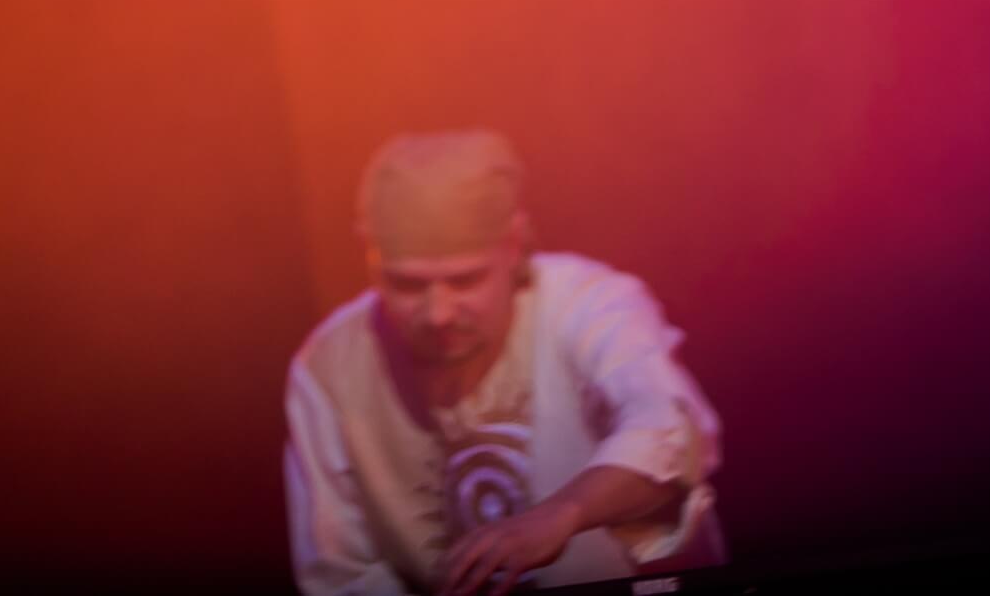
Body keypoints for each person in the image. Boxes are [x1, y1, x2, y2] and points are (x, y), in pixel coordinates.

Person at [284, 130, 725, 594]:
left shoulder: (588, 304)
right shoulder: (330, 366)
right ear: (371, 260)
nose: (437, 314)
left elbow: (668, 430)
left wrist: (563, 513)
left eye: (465, 280)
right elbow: (342, 573)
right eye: (407, 285)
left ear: (513, 245)